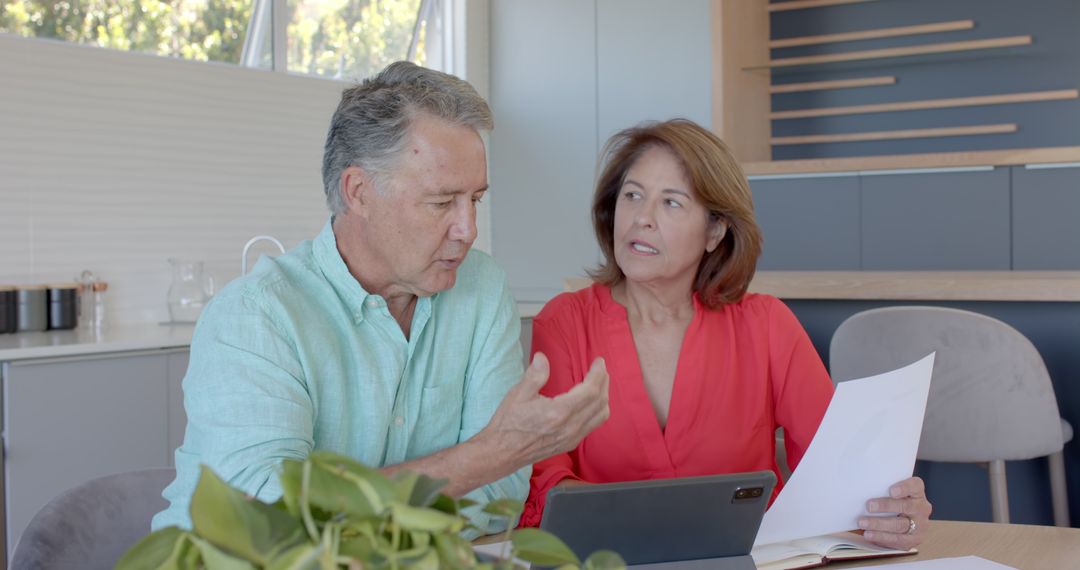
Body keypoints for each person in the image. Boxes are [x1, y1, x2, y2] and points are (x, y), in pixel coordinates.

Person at [152, 62, 610, 535]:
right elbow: (266, 523)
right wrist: (484, 456)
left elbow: (499, 497)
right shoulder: (257, 317)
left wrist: (362, 521)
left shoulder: (482, 288)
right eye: (441, 202)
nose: (468, 230)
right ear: (358, 192)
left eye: (474, 200)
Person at [520, 119, 931, 550]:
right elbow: (545, 482)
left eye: (672, 203)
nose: (642, 218)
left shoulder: (767, 325)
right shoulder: (564, 322)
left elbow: (838, 475)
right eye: (633, 195)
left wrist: (894, 514)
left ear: (714, 232)